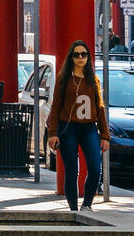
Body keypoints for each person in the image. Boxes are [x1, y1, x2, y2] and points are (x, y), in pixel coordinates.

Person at [47, 39, 109, 212]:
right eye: (76, 55)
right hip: (68, 128)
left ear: (88, 57)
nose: (80, 57)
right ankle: (73, 209)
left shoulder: (93, 79)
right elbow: (55, 106)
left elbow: (100, 107)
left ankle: (87, 204)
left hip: (89, 128)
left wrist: (105, 136)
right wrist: (53, 133)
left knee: (95, 169)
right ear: (71, 58)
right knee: (72, 170)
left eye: (84, 54)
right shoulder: (64, 79)